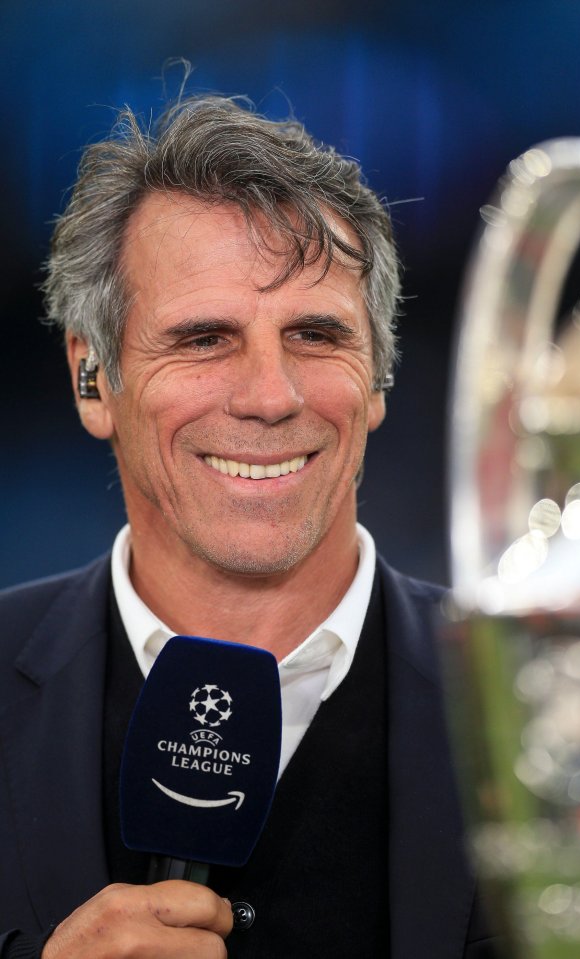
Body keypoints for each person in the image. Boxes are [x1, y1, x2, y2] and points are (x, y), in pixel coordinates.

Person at [0, 94, 496, 958]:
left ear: (378, 377)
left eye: (314, 333)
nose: (271, 395)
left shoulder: (553, 703)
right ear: (92, 378)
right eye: (203, 339)